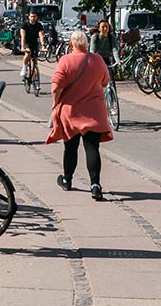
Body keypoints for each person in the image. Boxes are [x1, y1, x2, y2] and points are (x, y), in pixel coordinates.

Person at [47, 30, 113, 200]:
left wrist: (55, 103)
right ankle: (95, 185)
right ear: (86, 44)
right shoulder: (97, 59)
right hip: (94, 111)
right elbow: (105, 81)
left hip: (71, 111)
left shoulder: (65, 60)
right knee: (92, 148)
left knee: (70, 147)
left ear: (71, 45)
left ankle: (67, 180)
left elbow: (56, 87)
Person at [20, 10, 45, 81]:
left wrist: (43, 46)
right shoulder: (24, 25)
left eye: (34, 17)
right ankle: (24, 67)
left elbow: (41, 35)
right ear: (29, 17)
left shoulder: (39, 25)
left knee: (35, 61)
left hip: (34, 42)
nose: (33, 18)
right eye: (31, 17)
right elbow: (23, 37)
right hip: (26, 42)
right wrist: (23, 47)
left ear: (36, 17)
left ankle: (35, 79)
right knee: (28, 53)